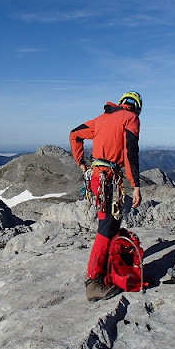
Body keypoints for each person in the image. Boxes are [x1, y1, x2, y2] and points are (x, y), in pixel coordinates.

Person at [69, 91, 142, 301]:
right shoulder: (131, 118)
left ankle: (107, 271)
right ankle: (93, 282)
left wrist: (82, 164)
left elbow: (74, 134)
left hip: (98, 178)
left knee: (111, 223)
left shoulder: (100, 120)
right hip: (108, 178)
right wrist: (135, 185)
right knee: (107, 226)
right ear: (136, 107)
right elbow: (130, 152)